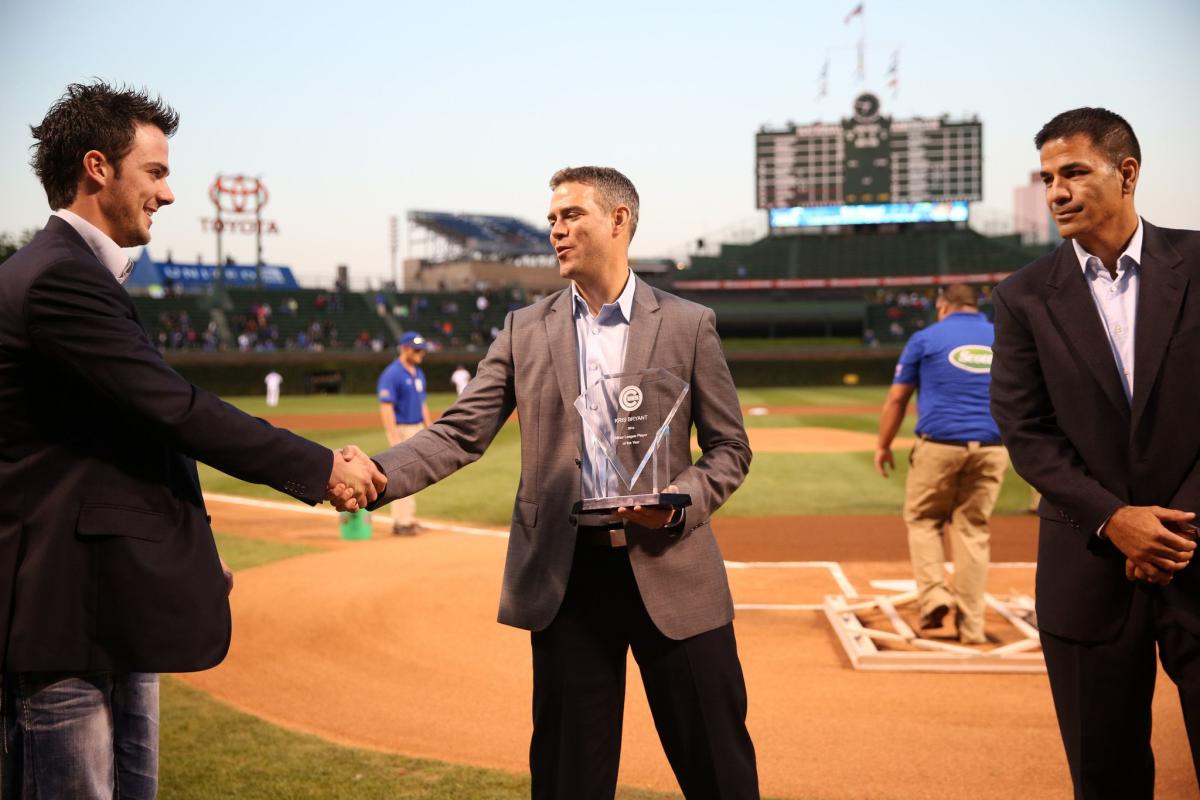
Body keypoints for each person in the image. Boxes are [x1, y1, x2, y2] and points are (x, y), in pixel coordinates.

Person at [0, 81, 383, 800]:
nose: (168, 193)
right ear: (97, 168)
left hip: (108, 609)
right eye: (156, 171)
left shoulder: (75, 275)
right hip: (64, 622)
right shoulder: (56, 279)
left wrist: (187, 564)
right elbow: (176, 409)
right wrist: (322, 468)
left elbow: (126, 449)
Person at [354, 167, 758, 798]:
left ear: (619, 220)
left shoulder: (687, 323)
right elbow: (462, 431)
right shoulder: (524, 328)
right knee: (570, 778)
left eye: (572, 215)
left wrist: (680, 503)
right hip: (568, 581)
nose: (556, 230)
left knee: (721, 770)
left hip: (673, 565)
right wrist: (381, 473)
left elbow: (730, 447)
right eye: (552, 219)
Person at [990, 107, 1200, 798]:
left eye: (1074, 171)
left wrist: (1172, 527)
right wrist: (1116, 520)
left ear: (1127, 173)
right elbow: (1025, 429)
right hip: (1087, 568)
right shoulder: (1022, 296)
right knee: (1105, 780)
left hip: (1196, 552)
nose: (1056, 190)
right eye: (1048, 177)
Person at [874, 284, 1007, 643]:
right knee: (972, 531)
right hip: (994, 447)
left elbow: (898, 398)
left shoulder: (926, 337)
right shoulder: (1002, 335)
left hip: (940, 446)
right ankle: (972, 627)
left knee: (923, 519)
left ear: (943, 306)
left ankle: (934, 597)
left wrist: (883, 446)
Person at [377, 332, 432, 535]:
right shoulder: (392, 374)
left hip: (417, 429)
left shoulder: (417, 373)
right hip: (402, 429)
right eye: (417, 349)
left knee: (414, 475)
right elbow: (386, 407)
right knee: (401, 475)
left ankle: (409, 518)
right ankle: (400, 522)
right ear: (404, 349)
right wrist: (393, 436)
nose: (421, 353)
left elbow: (422, 403)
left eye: (422, 349)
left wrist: (430, 427)